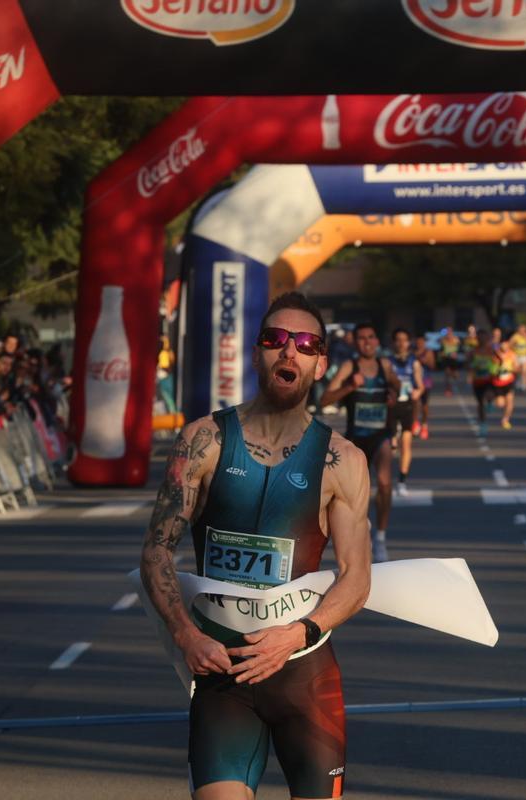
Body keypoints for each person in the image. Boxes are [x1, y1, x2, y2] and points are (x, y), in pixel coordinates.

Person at [139, 291, 370, 800]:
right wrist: (184, 634)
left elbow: (357, 577)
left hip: (303, 673)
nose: (290, 351)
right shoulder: (204, 440)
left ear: (320, 362)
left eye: (305, 343)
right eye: (276, 339)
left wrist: (297, 633)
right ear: (256, 352)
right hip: (222, 674)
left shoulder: (343, 459)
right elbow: (157, 549)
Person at [320, 323, 401, 563]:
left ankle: (381, 538)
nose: (367, 342)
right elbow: (325, 400)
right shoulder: (349, 367)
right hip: (356, 438)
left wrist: (393, 395)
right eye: (362, 338)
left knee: (385, 484)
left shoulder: (384, 366)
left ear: (377, 341)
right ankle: (359, 532)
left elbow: (397, 385)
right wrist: (349, 386)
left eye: (371, 337)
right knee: (355, 494)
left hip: (381, 433)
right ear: (355, 343)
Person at [387, 328, 424, 496]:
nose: (401, 343)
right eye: (398, 339)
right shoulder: (387, 362)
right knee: (391, 445)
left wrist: (418, 392)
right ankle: (385, 477)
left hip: (407, 405)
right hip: (390, 406)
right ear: (393, 342)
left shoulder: (414, 362)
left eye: (405, 340)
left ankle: (402, 480)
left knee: (406, 443)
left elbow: (420, 384)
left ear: (409, 343)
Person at [468, 331, 497, 437]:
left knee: (489, 394)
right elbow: (468, 365)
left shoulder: (492, 351)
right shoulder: (473, 351)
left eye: (484, 338)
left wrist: (496, 369)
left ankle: (490, 401)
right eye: (480, 338)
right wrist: (471, 370)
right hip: (477, 380)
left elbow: (499, 361)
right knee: (480, 403)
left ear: (487, 339)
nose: (482, 340)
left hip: (489, 379)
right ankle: (483, 424)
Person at [412, 334, 435, 440]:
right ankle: (415, 423)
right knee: (415, 403)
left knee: (425, 405)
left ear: (424, 343)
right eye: (418, 342)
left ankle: (424, 425)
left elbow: (433, 366)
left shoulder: (428, 352)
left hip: (426, 381)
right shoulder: (412, 352)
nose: (419, 344)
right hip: (414, 382)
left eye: (421, 342)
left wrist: (426, 361)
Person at [492, 340, 517, 430]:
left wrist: (513, 369)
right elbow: (492, 368)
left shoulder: (512, 354)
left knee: (510, 402)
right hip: (498, 382)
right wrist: (499, 363)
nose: (504, 346)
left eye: (506, 344)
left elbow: (515, 367)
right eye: (502, 345)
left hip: (509, 381)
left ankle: (505, 420)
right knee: (500, 404)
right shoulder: (495, 355)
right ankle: (492, 399)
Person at [507, 323, 526, 392]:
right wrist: (514, 344)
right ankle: (518, 381)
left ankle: (524, 386)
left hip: (525, 356)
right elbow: (509, 345)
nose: (522, 331)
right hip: (516, 356)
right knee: (517, 371)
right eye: (521, 329)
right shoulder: (515, 336)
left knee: (525, 371)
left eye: (524, 329)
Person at [438, 327, 462, 396]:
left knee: (455, 375)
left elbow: (460, 349)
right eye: (447, 332)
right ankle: (448, 389)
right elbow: (440, 351)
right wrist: (444, 355)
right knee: (447, 374)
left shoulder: (456, 340)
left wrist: (456, 353)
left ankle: (453, 377)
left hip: (454, 360)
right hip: (446, 359)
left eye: (450, 332)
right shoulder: (443, 340)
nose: (449, 334)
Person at [157, 335, 177, 413]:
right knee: (168, 398)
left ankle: (173, 414)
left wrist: (161, 368)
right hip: (165, 377)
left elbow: (168, 366)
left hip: (165, 377)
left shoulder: (165, 353)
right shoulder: (168, 352)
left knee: (169, 398)